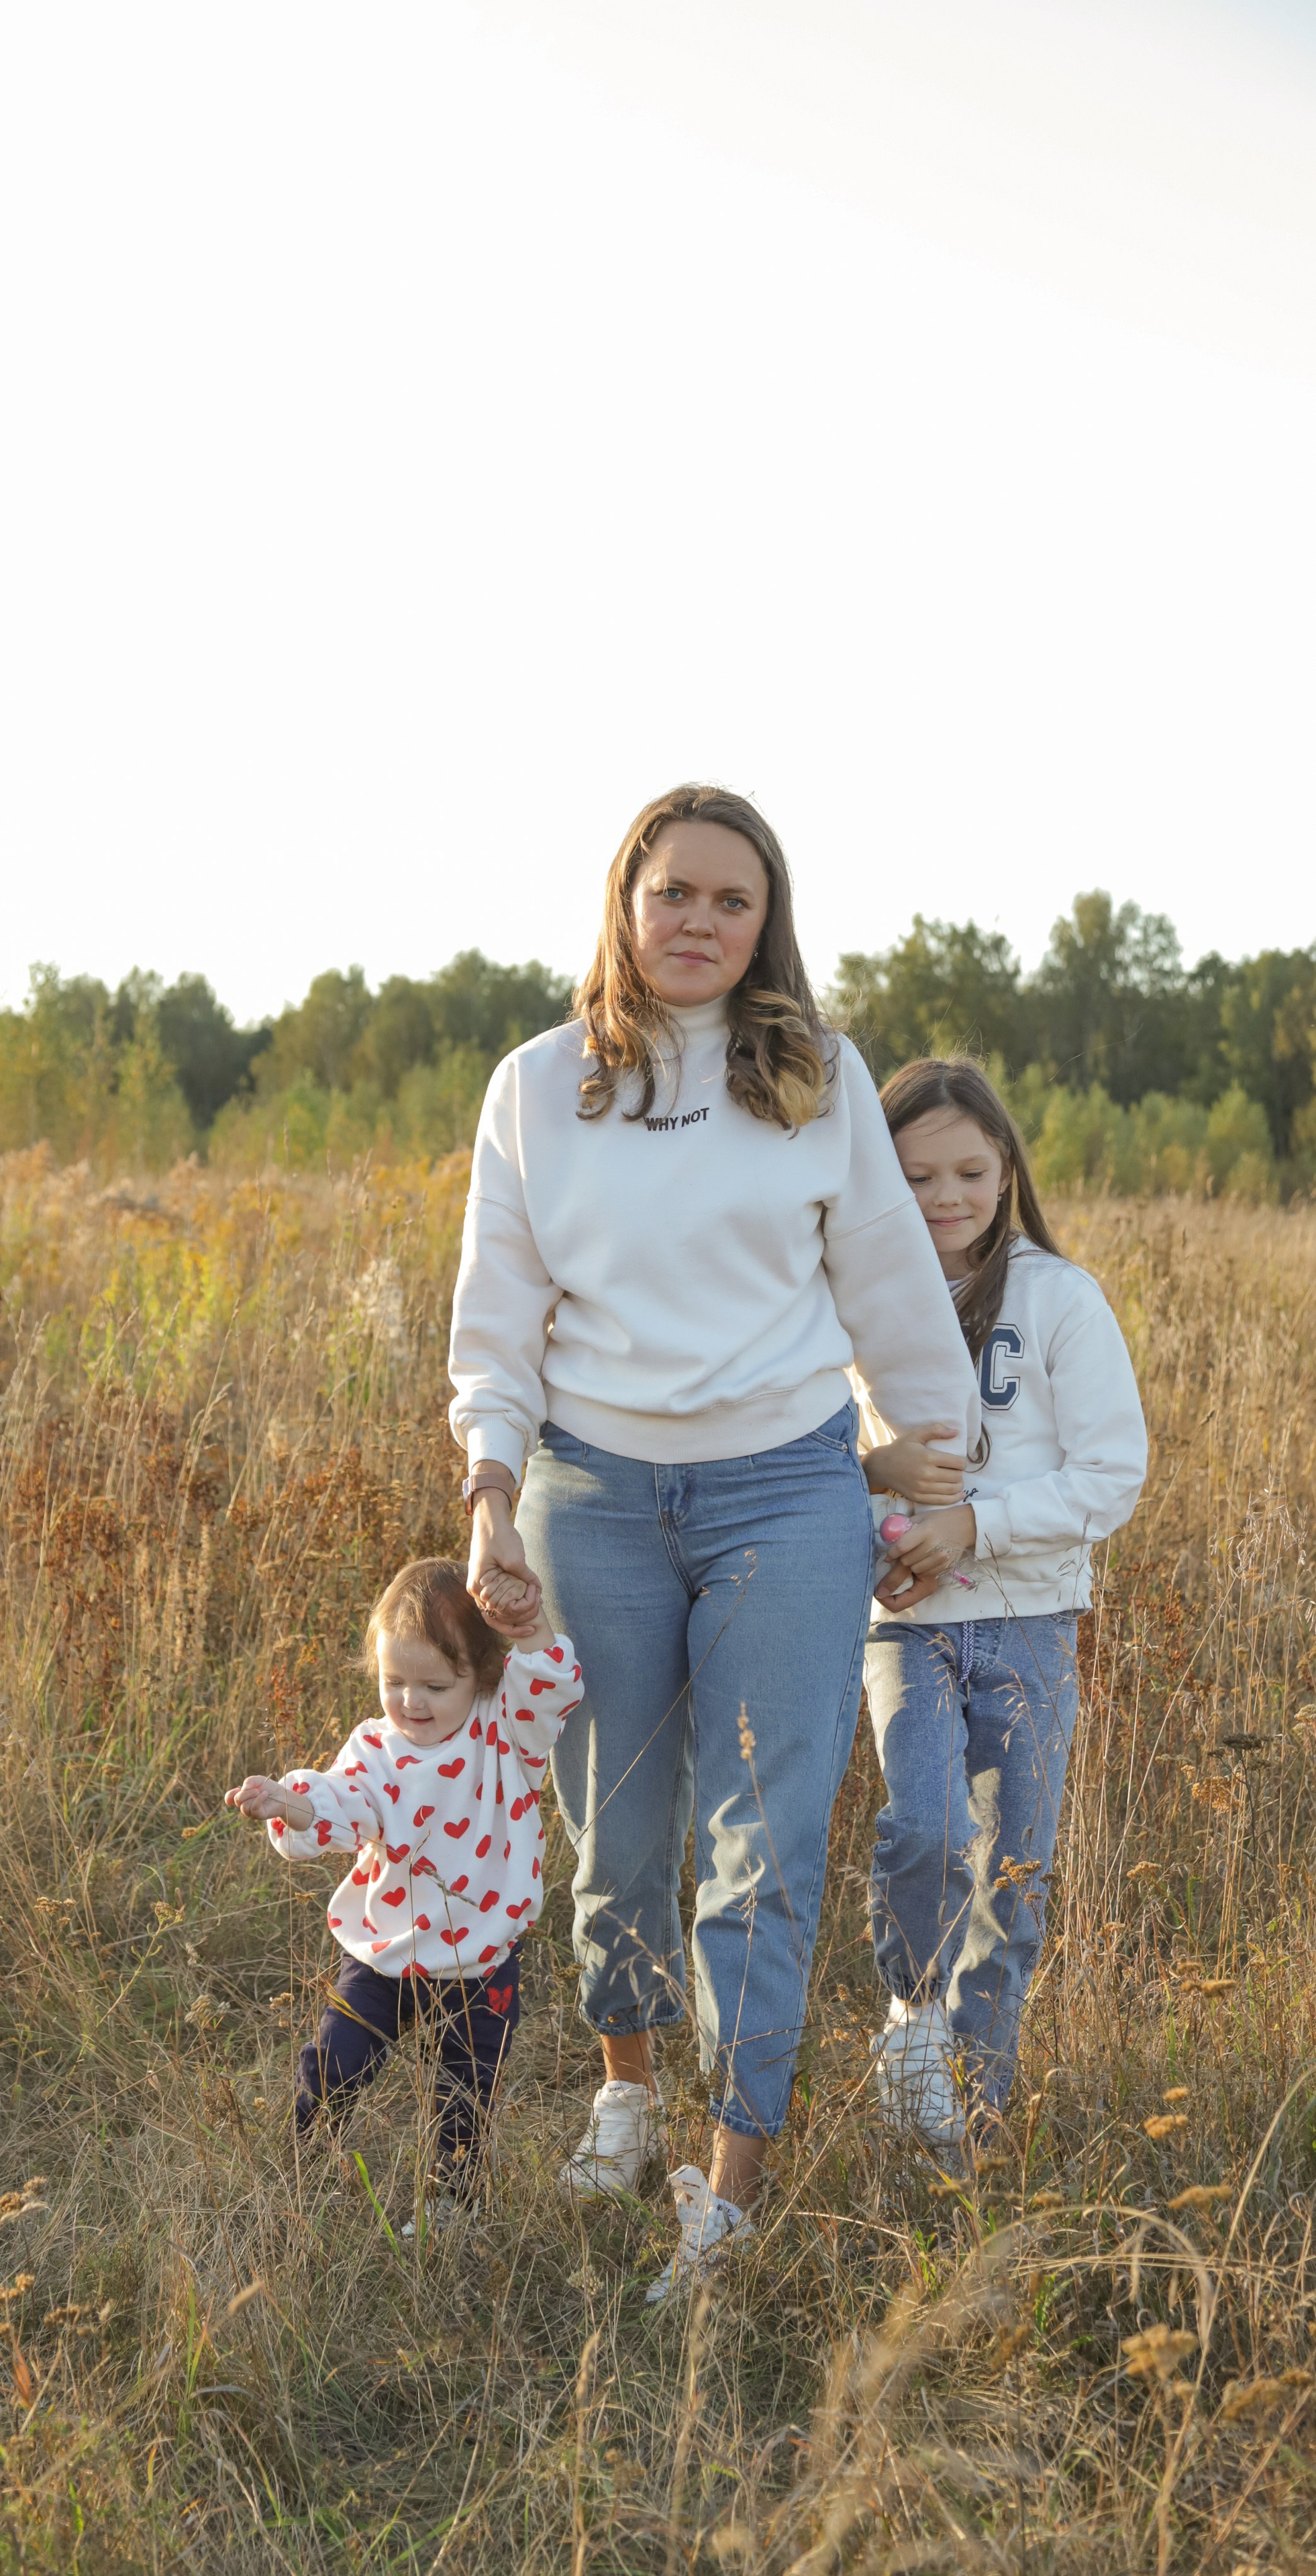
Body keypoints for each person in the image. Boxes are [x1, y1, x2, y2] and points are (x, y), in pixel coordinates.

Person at [449, 782, 978, 2305]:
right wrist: (490, 1491)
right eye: (670, 891)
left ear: (765, 925)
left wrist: (935, 1483)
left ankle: (728, 2189)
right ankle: (625, 2091)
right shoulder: (540, 1087)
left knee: (760, 1849)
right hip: (588, 1499)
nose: (695, 921)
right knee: (614, 1844)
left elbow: (889, 1290)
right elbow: (497, 1312)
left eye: (727, 899)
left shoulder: (813, 1079)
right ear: (624, 903)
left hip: (781, 1499)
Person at [860, 1057, 1147, 2149]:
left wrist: (973, 1526)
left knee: (1013, 1878)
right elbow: (827, 1462)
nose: (944, 1196)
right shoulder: (857, 1309)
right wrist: (887, 1527)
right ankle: (914, 2019)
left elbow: (1112, 1473)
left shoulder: (1058, 1298)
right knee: (925, 1828)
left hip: (1030, 1619)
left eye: (969, 1171)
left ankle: (973, 2127)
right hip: (908, 1622)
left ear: (1007, 1167)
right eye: (916, 1174)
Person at [225, 1555, 583, 2224]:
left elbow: (550, 1683)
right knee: (337, 2063)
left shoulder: (505, 1734)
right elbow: (342, 1804)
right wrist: (289, 1804)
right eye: (394, 1682)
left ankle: (449, 2204)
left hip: (480, 1960)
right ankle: (303, 2168)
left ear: (480, 1677)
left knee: (466, 2090)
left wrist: (527, 1625)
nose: (411, 1702)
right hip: (382, 1952)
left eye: (434, 1685)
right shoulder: (377, 1749)